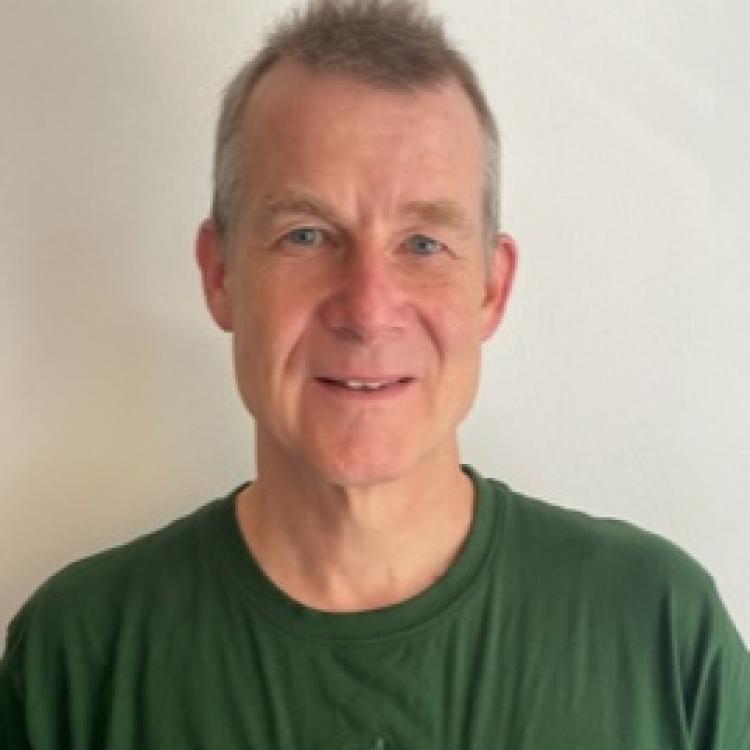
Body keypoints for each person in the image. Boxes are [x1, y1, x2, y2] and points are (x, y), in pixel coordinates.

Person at [1, 0, 748, 747]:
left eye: (423, 244)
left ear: (491, 288)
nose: (367, 310)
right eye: (306, 235)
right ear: (220, 273)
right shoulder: (78, 660)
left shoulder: (661, 632)